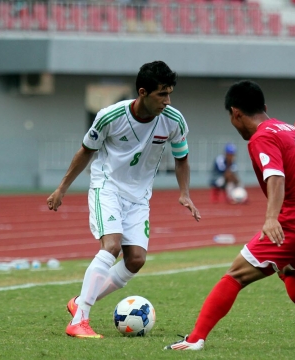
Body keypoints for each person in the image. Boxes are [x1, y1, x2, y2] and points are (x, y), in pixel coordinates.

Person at [165, 80, 295, 351]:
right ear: (265, 107)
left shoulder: (262, 137)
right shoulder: (292, 129)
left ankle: (194, 340)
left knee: (236, 274)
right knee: (288, 268)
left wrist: (272, 218)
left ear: (236, 113)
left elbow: (275, 176)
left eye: (231, 118)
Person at [47, 61, 201, 339]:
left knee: (136, 260)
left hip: (140, 197)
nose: (167, 101)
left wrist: (184, 192)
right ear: (142, 92)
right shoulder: (110, 116)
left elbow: (182, 158)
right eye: (161, 94)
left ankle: (79, 302)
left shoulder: (174, 120)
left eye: (170, 94)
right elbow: (85, 152)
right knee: (112, 246)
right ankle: (79, 320)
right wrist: (62, 188)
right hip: (107, 188)